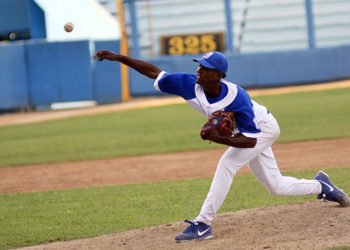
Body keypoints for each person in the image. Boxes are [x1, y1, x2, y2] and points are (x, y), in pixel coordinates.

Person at [93, 50, 349, 242]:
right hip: (246, 135)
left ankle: (203, 224)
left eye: (205, 68)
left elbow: (250, 140)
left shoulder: (237, 98)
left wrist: (218, 139)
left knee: (227, 163)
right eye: (200, 66)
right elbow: (154, 72)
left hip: (263, 129)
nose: (199, 71)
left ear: (218, 75)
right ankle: (321, 186)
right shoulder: (188, 84)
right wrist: (119, 58)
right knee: (276, 185)